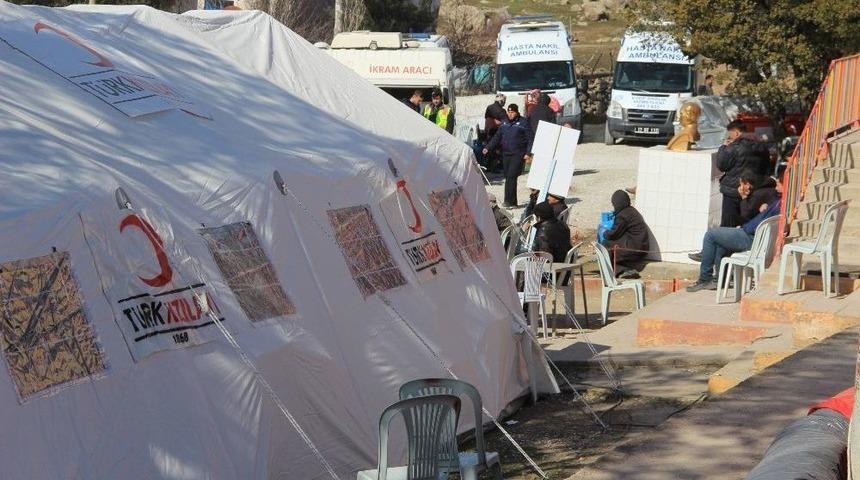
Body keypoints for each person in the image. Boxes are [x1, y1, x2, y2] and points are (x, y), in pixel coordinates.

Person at [686, 178, 782, 292]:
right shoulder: (779, 202)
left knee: (710, 235)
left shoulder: (770, 199)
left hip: (751, 238)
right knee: (720, 240)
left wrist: (743, 200)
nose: (776, 187)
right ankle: (719, 280)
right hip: (755, 237)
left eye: (779, 184)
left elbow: (751, 221)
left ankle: (704, 278)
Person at [716, 120, 774, 227]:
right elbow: (767, 168)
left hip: (733, 191)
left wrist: (723, 147)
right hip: (754, 191)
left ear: (737, 133)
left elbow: (721, 165)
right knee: (749, 223)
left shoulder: (734, 147)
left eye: (730, 135)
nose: (730, 138)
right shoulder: (762, 147)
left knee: (728, 224)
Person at [483, 104, 530, 207]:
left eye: (512, 112)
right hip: (506, 153)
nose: (510, 114)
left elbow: (530, 138)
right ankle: (511, 201)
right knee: (507, 176)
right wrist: (488, 147)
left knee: (512, 176)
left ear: (517, 112)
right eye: (508, 112)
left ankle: (509, 201)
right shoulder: (504, 122)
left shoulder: (523, 122)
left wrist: (528, 153)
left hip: (518, 153)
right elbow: (497, 137)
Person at [603, 190, 650, 278]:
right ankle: (621, 269)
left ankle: (620, 270)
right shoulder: (632, 211)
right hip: (642, 247)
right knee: (611, 247)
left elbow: (613, 234)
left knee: (605, 245)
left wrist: (604, 233)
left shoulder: (622, 216)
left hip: (635, 250)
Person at [526, 92, 557, 157]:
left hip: (533, 136)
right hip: (545, 138)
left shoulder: (532, 109)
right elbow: (554, 126)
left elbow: (528, 122)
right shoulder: (550, 111)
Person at [483, 94, 507, 172]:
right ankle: (496, 167)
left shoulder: (489, 107)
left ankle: (488, 166)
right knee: (497, 150)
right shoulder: (501, 110)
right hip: (496, 132)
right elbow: (505, 122)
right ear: (501, 101)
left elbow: (487, 119)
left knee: (489, 149)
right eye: (504, 101)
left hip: (488, 132)